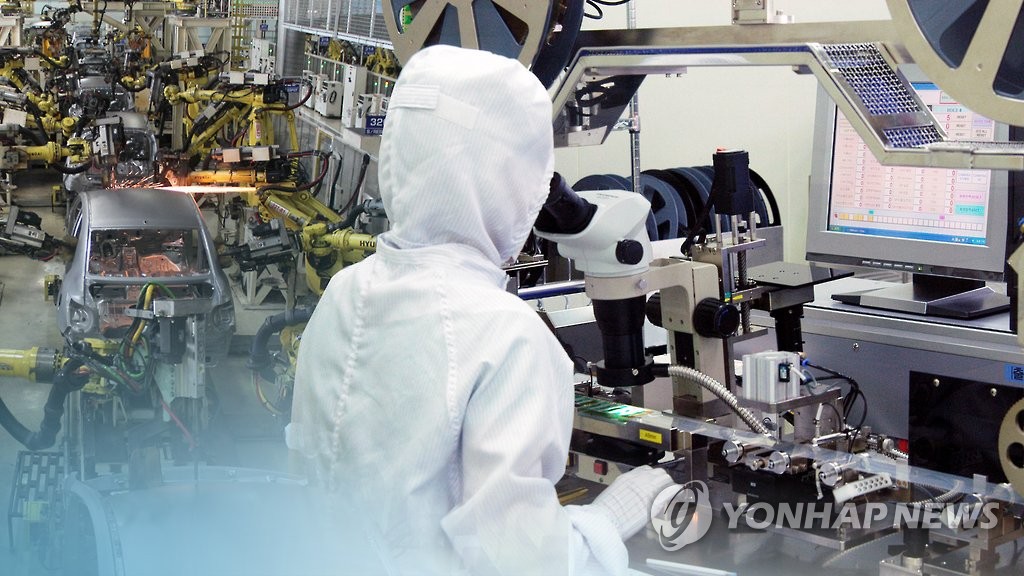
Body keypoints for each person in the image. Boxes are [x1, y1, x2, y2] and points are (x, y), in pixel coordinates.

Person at [288, 44, 674, 575]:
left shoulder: (344, 292)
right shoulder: (506, 336)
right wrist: (613, 516)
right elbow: (523, 562)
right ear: (507, 182)